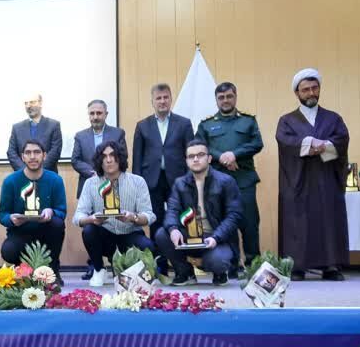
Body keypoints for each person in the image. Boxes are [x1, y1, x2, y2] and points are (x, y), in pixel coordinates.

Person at [276, 68, 350, 281]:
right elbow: (285, 141)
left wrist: (325, 145)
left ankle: (331, 266)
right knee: (297, 222)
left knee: (328, 220)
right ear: (297, 93)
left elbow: (342, 140)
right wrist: (309, 143)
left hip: (326, 179)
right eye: (305, 89)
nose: (311, 93)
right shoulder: (287, 120)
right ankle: (296, 266)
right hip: (297, 180)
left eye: (314, 88)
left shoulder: (333, 118)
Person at [195, 82, 263, 276]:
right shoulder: (206, 124)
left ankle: (253, 265)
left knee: (249, 223)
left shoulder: (248, 121)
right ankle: (232, 266)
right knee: (226, 224)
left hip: (244, 181)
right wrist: (222, 157)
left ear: (235, 97)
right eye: (221, 97)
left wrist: (235, 154)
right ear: (216, 100)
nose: (225, 100)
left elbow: (257, 143)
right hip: (219, 183)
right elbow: (199, 146)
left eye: (229, 96)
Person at [154, 139, 242, 286]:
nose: (195, 159)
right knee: (162, 234)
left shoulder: (226, 181)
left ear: (209, 158)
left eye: (200, 155)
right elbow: (172, 210)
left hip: (217, 237)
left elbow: (234, 215)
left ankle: (219, 273)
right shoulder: (180, 183)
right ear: (186, 161)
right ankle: (185, 272)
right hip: (191, 235)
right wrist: (173, 229)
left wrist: (216, 237)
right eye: (191, 156)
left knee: (217, 261)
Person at [73, 141, 155, 287]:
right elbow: (77, 217)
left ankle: (130, 271)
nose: (109, 160)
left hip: (130, 234)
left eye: (112, 155)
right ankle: (99, 269)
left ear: (120, 157)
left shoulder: (138, 182)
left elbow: (149, 215)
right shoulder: (91, 183)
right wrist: (92, 219)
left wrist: (133, 217)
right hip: (105, 236)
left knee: (148, 246)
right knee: (89, 230)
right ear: (100, 161)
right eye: (104, 157)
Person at [132, 83, 195, 273]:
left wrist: (190, 180)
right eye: (158, 98)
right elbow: (137, 158)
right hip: (152, 181)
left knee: (181, 220)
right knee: (156, 221)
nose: (162, 101)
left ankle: (181, 264)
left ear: (171, 99)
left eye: (165, 97)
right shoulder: (142, 125)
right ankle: (159, 265)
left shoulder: (184, 123)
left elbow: (191, 153)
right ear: (152, 101)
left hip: (179, 180)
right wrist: (138, 184)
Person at [71, 99, 127, 280]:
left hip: (114, 185)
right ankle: (95, 266)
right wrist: (93, 172)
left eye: (99, 113)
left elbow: (123, 156)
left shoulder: (118, 133)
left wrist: (107, 171)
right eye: (92, 113)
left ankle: (116, 262)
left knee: (114, 223)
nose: (95, 117)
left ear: (106, 114)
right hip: (90, 185)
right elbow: (75, 160)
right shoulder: (80, 136)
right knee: (91, 227)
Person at [0, 139, 66, 282]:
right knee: (8, 251)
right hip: (20, 232)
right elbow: (2, 214)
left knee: (57, 224)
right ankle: (23, 271)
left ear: (44, 155)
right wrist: (11, 219)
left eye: (37, 152)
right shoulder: (10, 181)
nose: (32, 156)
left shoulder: (55, 180)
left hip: (46, 232)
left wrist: (51, 211)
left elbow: (62, 211)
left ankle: (52, 270)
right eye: (28, 153)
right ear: (22, 157)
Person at [6, 93, 63, 173]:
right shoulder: (17, 128)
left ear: (40, 103)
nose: (28, 106)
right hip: (22, 176)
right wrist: (25, 172)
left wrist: (38, 171)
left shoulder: (53, 125)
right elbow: (11, 152)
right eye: (26, 103)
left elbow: (55, 152)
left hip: (47, 175)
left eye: (32, 102)